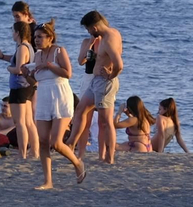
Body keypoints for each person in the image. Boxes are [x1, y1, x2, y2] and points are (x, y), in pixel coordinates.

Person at [30, 20, 85, 189]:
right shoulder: (37, 55)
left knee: (56, 142)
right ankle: (48, 181)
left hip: (60, 95)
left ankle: (77, 163)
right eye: (35, 37)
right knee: (43, 140)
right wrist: (28, 73)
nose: (36, 40)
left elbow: (68, 73)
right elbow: (35, 81)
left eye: (40, 37)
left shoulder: (59, 51)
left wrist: (49, 65)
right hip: (44, 95)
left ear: (50, 37)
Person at [73, 11, 123, 164]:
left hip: (104, 82)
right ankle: (71, 143)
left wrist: (111, 75)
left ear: (94, 27)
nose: (88, 32)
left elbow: (119, 64)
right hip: (95, 81)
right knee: (81, 109)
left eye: (88, 29)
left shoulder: (108, 40)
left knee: (106, 121)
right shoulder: (115, 32)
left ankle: (109, 157)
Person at [0, 21, 37, 161]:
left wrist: (9, 69)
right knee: (29, 121)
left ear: (18, 32)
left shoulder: (22, 48)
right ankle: (35, 151)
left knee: (20, 122)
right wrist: (2, 57)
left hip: (19, 87)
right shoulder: (28, 47)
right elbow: (17, 61)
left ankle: (23, 153)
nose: (12, 34)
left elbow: (18, 69)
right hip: (27, 87)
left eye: (13, 31)